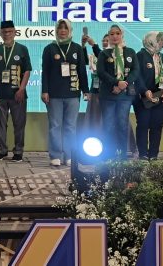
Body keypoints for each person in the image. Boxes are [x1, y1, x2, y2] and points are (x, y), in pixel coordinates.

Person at [41, 19, 88, 166]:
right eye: (60, 28)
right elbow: (45, 72)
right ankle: (55, 155)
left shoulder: (77, 48)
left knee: (70, 126)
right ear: (56, 31)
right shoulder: (49, 49)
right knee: (55, 125)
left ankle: (69, 155)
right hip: (54, 94)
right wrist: (45, 91)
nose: (63, 30)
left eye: (65, 28)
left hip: (73, 94)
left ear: (70, 30)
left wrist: (85, 90)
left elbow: (82, 71)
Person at [0, 20, 32, 162]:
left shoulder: (22, 49)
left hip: (17, 94)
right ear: (0, 33)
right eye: (4, 32)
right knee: (0, 125)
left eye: (10, 31)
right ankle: (2, 150)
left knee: (19, 124)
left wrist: (22, 88)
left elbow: (27, 71)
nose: (7, 34)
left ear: (15, 32)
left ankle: (18, 151)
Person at [97, 24, 139, 159]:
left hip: (124, 96)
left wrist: (123, 84)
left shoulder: (130, 52)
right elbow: (101, 72)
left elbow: (135, 71)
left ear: (122, 35)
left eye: (117, 33)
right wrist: (116, 83)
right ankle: (108, 155)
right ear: (108, 36)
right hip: (108, 95)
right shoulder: (104, 53)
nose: (115, 36)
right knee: (108, 126)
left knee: (122, 124)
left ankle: (121, 156)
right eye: (112, 34)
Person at [133, 31, 163, 160]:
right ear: (151, 41)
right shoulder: (140, 55)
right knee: (143, 125)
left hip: (159, 97)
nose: (162, 43)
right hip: (143, 98)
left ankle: (153, 155)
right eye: (159, 40)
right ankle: (143, 154)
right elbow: (137, 76)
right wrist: (145, 91)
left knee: (157, 126)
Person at [79, 33, 105, 133]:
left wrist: (94, 45)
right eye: (104, 41)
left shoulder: (114, 55)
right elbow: (84, 61)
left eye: (107, 41)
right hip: (94, 90)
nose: (105, 42)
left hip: (108, 92)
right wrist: (83, 46)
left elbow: (102, 57)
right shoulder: (94, 55)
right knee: (93, 117)